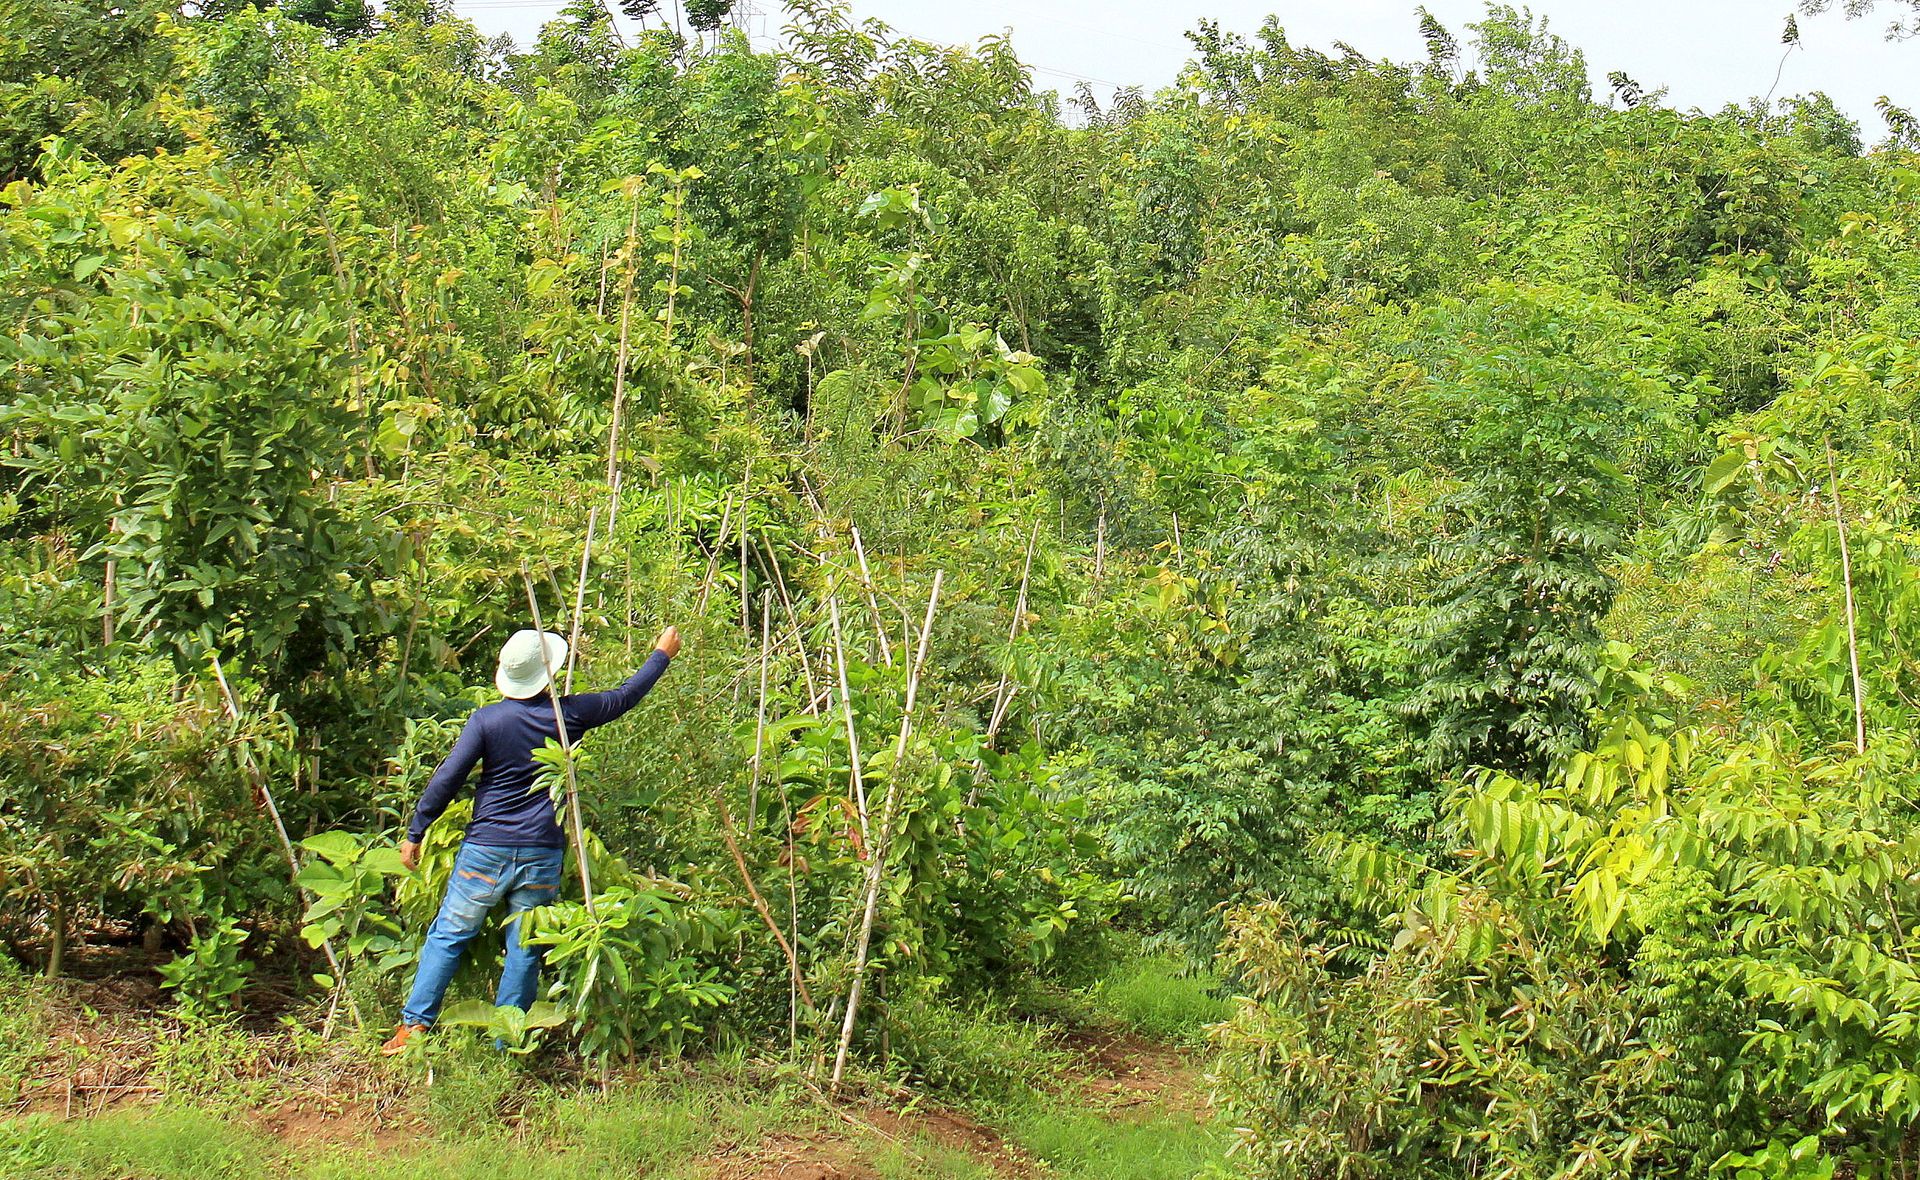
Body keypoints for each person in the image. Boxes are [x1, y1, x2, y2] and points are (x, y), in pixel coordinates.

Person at [380, 623, 682, 1055]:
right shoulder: (568, 715)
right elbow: (624, 696)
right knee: (525, 944)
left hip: (486, 847)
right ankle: (508, 1040)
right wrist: (661, 654)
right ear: (548, 673)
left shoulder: (487, 720)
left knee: (449, 934)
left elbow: (449, 777)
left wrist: (416, 831)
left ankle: (414, 1027)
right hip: (542, 848)